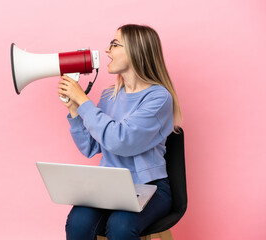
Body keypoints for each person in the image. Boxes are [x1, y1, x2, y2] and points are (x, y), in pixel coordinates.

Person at [58, 24, 182, 240]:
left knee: (121, 226)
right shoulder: (109, 96)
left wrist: (84, 102)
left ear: (137, 51)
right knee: (77, 223)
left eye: (114, 44)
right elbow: (90, 147)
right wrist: (75, 110)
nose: (107, 50)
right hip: (109, 185)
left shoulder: (159, 98)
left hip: (149, 187)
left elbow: (121, 141)